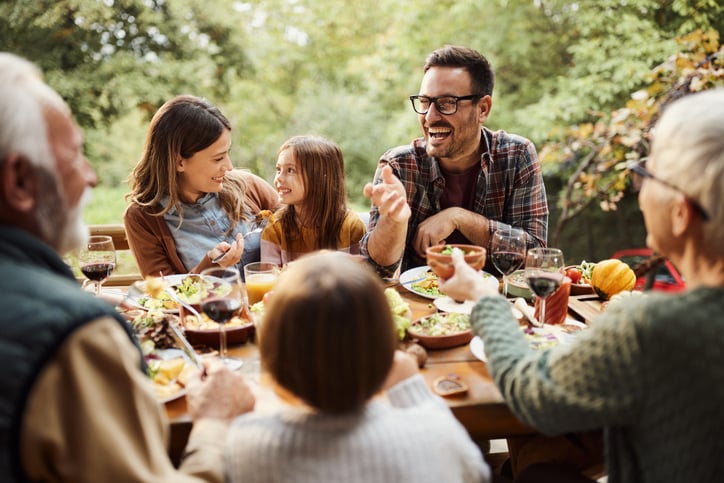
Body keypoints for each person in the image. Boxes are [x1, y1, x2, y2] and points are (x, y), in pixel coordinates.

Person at [439, 88, 724, 482]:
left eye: (644, 176)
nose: (638, 193)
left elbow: (532, 393)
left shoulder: (650, 327)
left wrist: (485, 298)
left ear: (680, 213)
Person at [0, 52, 255, 482]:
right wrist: (213, 422)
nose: (91, 176)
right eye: (76, 155)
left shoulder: (241, 186)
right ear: (20, 182)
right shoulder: (78, 336)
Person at [224, 251, 491, 483]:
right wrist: (414, 392)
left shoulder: (245, 446)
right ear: (386, 347)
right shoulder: (433, 434)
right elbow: (476, 474)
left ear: (272, 354)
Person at [361, 45, 548, 277]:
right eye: (424, 102)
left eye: (447, 103)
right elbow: (378, 268)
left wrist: (459, 218)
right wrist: (395, 221)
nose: (430, 116)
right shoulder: (398, 167)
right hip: (423, 309)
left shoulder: (517, 156)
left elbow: (537, 257)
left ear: (483, 109)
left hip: (495, 305)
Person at [124, 94, 279, 277]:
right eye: (218, 158)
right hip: (211, 307)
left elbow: (301, 223)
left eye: (227, 153)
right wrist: (210, 268)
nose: (229, 166)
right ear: (179, 162)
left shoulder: (248, 186)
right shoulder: (143, 219)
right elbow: (165, 297)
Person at [260, 135, 366, 265]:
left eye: (290, 170)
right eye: (278, 169)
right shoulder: (276, 226)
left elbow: (361, 278)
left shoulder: (352, 226)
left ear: (320, 178)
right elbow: (269, 278)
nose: (279, 178)